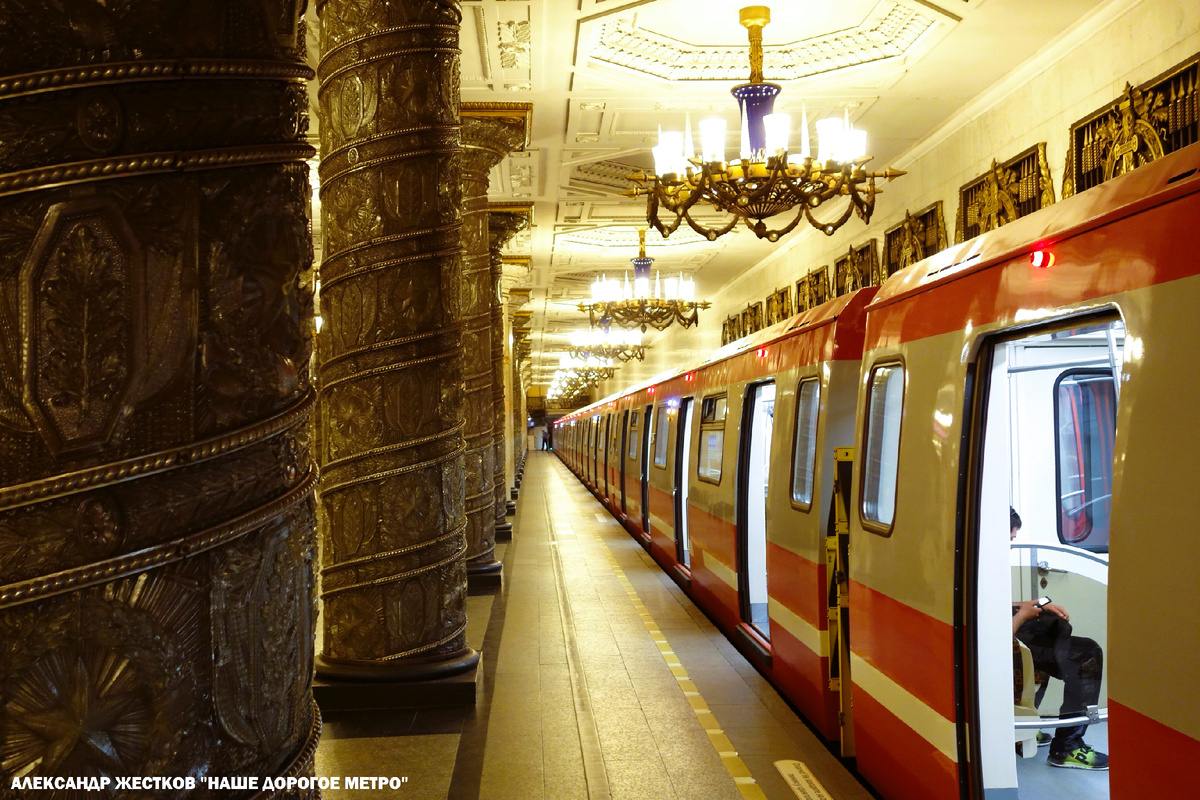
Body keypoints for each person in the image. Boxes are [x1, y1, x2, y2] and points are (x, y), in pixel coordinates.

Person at [1010, 508, 1108, 770]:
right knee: (1086, 654)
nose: (1009, 546)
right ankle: (1067, 747)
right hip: (993, 646)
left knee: (1050, 633)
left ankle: (1023, 725)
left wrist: (1029, 605)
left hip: (1005, 634)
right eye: (1008, 540)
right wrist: (1022, 617)